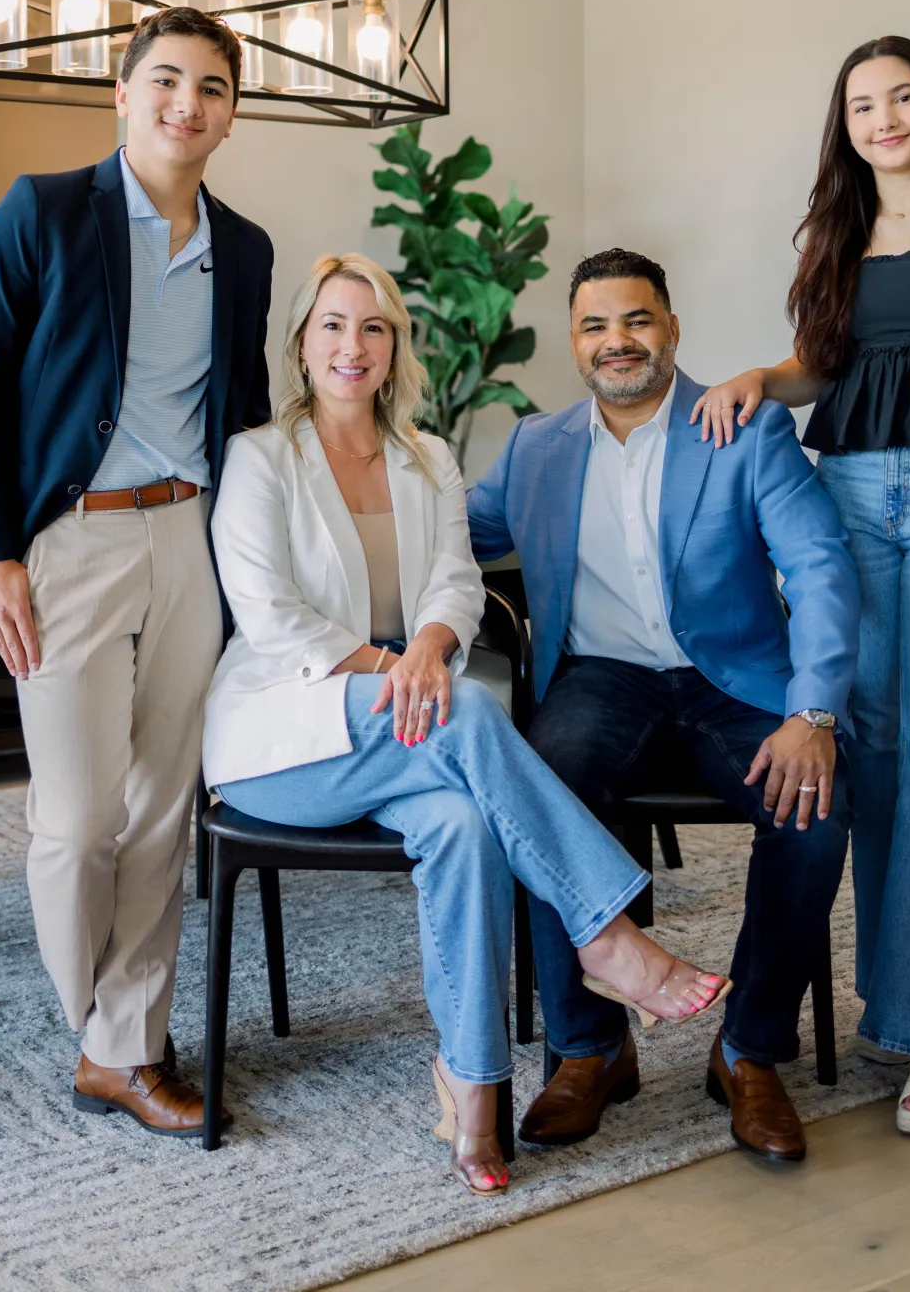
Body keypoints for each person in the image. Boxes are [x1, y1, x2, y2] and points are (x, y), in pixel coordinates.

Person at [204, 252, 731, 1195]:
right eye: (332, 326)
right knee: (469, 710)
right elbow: (271, 618)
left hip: (402, 725)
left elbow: (457, 583)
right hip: (285, 739)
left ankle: (472, 1087)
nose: (353, 346)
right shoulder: (260, 457)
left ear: (394, 345)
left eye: (373, 327)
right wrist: (397, 668)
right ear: (302, 344)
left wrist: (427, 646)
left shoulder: (428, 457)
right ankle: (604, 932)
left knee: (463, 825)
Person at [692, 37, 910, 1139]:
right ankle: (896, 1014)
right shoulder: (839, 231)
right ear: (844, 126)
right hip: (846, 497)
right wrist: (760, 377)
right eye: (862, 104)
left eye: (902, 96)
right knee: (877, 754)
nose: (884, 118)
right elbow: (824, 369)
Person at [0, 6, 274, 1137]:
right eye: (166, 79)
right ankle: (100, 1021)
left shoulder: (247, 248)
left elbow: (243, 412)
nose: (188, 103)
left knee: (162, 812)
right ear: (121, 94)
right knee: (77, 823)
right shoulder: (43, 211)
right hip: (69, 542)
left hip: (191, 539)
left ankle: (127, 1048)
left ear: (232, 115)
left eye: (212, 87)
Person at [466, 248, 859, 1164]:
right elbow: (442, 536)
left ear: (672, 328)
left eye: (637, 320)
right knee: (543, 785)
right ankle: (590, 1048)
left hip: (734, 681)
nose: (618, 341)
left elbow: (820, 568)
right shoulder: (534, 449)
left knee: (816, 805)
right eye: (596, 326)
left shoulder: (744, 427)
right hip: (601, 679)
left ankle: (749, 1048)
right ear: (574, 342)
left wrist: (812, 714)